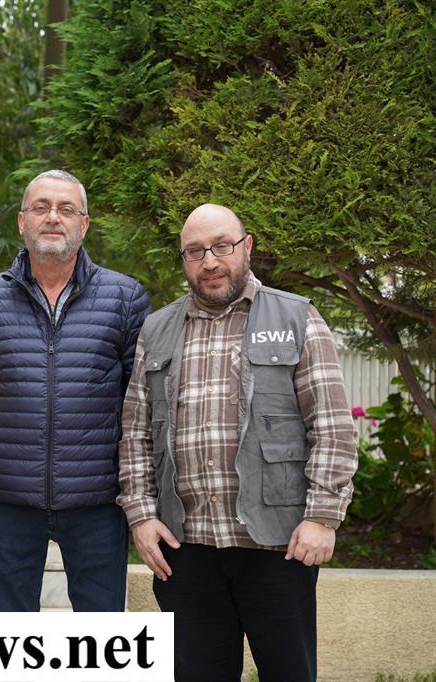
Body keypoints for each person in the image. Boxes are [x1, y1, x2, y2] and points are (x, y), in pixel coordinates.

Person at [117, 203, 358, 681]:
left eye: (222, 247)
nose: (210, 261)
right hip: (186, 551)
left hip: (278, 545)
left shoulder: (297, 317)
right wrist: (141, 516)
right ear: (184, 260)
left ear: (246, 247)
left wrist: (322, 517)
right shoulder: (157, 329)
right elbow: (136, 433)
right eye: (195, 252)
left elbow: (332, 425)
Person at [0, 170, 151, 612]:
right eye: (41, 208)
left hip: (97, 498)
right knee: (11, 627)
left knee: (101, 627)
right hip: (10, 499)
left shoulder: (125, 298)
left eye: (66, 209)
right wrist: (2, 445)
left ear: (84, 224)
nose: (53, 217)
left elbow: (137, 396)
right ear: (22, 222)